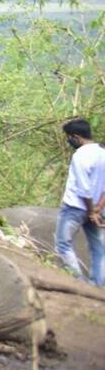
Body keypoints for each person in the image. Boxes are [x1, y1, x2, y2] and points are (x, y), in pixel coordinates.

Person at [54, 118, 105, 286]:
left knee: (63, 245)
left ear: (75, 137)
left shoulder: (80, 155)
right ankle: (98, 286)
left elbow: (84, 187)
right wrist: (98, 208)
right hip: (98, 210)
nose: (68, 141)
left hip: (75, 208)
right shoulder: (102, 152)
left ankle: (79, 284)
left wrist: (91, 210)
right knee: (99, 249)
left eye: (68, 137)